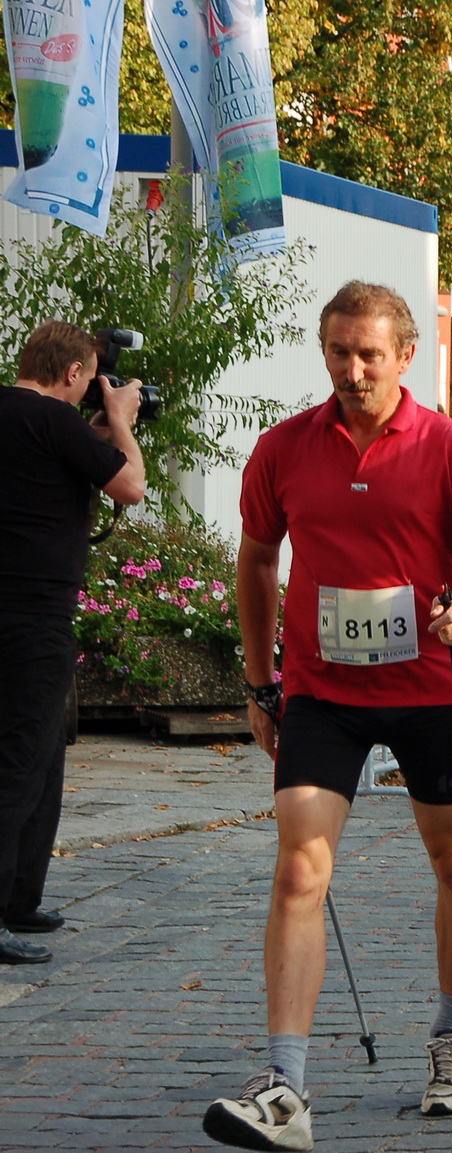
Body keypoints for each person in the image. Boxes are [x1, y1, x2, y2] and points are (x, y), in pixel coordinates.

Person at [207, 283, 452, 1151]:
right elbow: (256, 558)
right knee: (298, 868)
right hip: (323, 692)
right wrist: (260, 678)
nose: (352, 370)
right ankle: (285, 1085)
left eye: (369, 355)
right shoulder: (284, 448)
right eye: (339, 352)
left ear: (405, 356)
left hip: (427, 685)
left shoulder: (450, 446)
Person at [0, 322, 146, 967]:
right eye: (91, 379)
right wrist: (123, 422)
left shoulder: (19, 416)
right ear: (72, 374)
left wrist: (95, 432)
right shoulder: (54, 419)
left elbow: (47, 463)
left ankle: (20, 898)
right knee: (18, 764)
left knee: (42, 759)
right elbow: (131, 485)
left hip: (15, 613)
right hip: (34, 619)